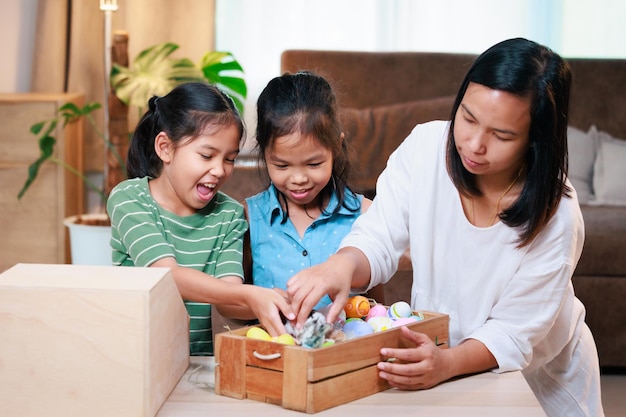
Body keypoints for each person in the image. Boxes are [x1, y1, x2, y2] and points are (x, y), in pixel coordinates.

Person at [286, 38, 603, 417]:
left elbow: (511, 333)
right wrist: (341, 265)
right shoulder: (426, 148)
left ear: (536, 141)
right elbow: (379, 236)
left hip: (540, 381)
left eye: (501, 135)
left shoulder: (558, 214)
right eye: (467, 118)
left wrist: (448, 364)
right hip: (438, 361)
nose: (474, 144)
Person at [107, 82, 293, 356]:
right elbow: (166, 275)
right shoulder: (130, 199)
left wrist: (279, 301)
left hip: (196, 364)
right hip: (133, 358)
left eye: (229, 159)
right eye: (207, 155)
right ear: (165, 148)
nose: (219, 170)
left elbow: (228, 295)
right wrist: (251, 296)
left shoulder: (228, 215)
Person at [245, 71, 379, 311]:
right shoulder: (249, 217)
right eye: (282, 165)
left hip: (345, 347)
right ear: (264, 152)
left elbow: (375, 302)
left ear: (336, 147)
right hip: (274, 348)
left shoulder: (365, 213)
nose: (298, 179)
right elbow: (236, 304)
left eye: (314, 164)